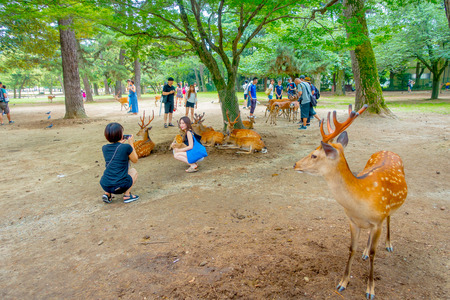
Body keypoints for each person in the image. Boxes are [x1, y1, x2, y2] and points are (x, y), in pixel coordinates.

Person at [100, 122, 139, 204]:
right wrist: (131, 144)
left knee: (112, 170)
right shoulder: (126, 147)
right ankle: (127, 196)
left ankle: (107, 194)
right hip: (120, 186)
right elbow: (135, 160)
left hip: (105, 184)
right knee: (133, 171)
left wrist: (119, 144)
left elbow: (115, 154)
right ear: (120, 135)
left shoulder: (104, 148)